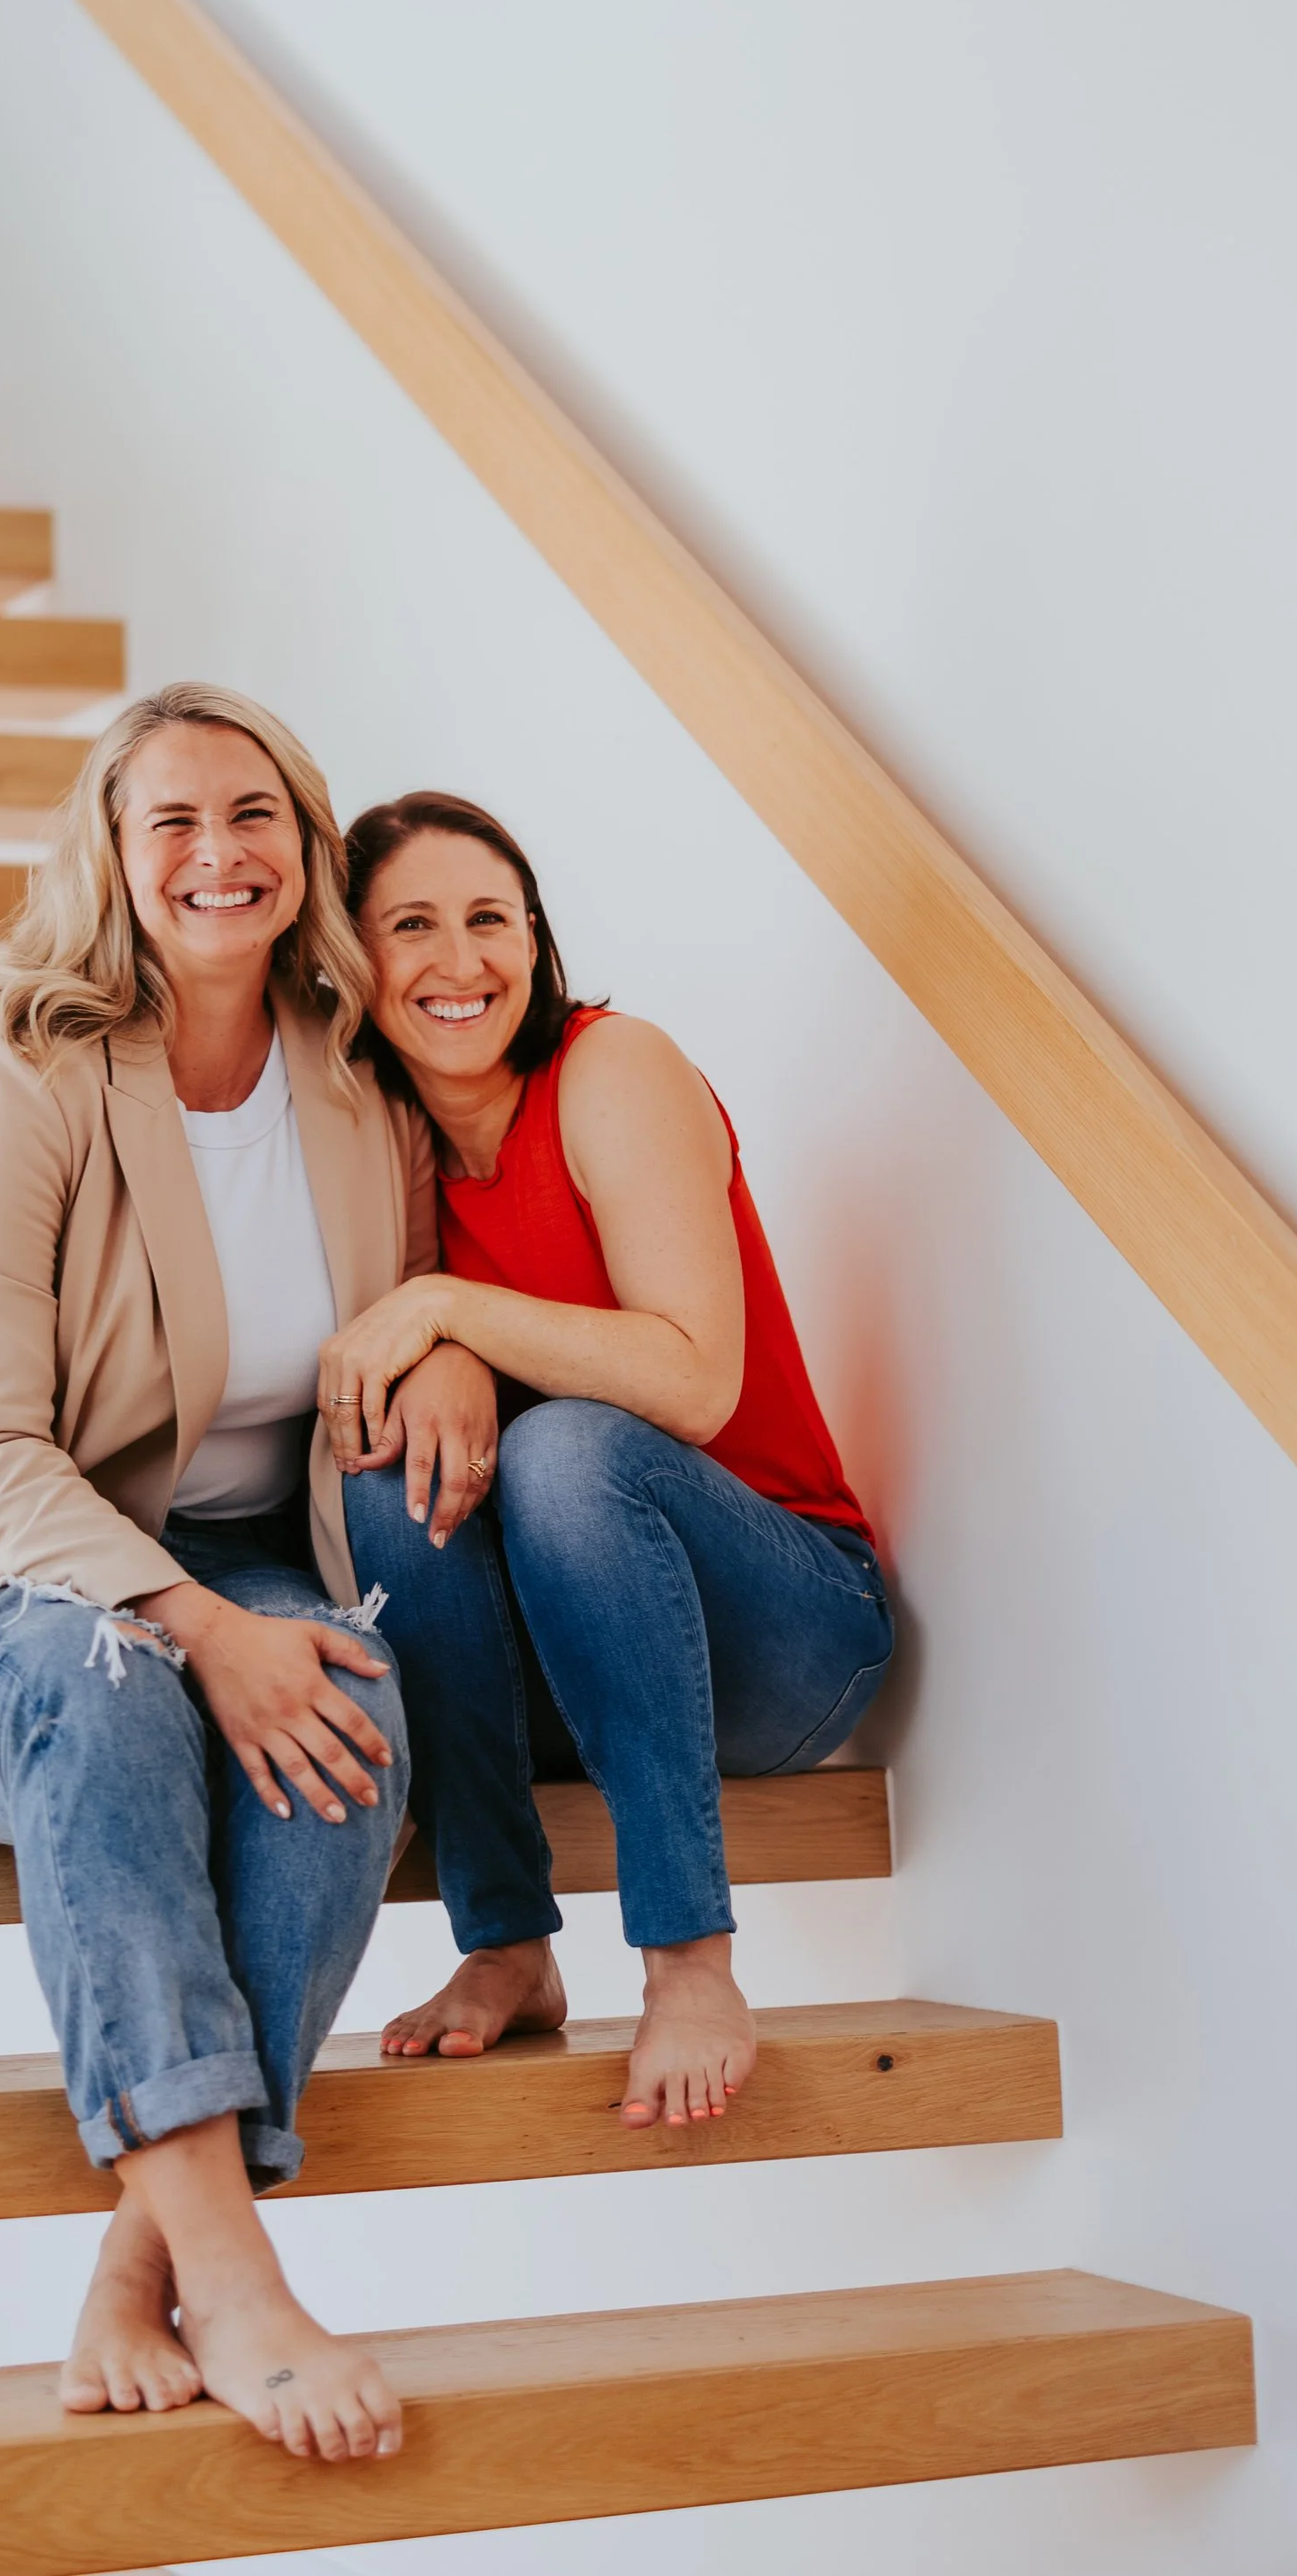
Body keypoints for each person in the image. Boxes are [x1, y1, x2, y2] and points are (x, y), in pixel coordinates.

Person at [0, 691, 495, 2463]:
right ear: (113, 854)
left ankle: (139, 2256)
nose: (219, 852)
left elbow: (411, 1300)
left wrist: (450, 1343)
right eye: (173, 821)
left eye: (254, 813)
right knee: (113, 1683)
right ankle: (234, 2278)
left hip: (240, 1558)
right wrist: (199, 1623)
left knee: (349, 1703)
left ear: (305, 844)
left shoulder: (354, 1077)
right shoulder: (3, 1081)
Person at [324, 791, 892, 2135]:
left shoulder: (610, 1069)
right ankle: (506, 1941)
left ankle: (690, 1961)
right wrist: (445, 1349)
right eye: (412, 926)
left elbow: (694, 1379)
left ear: (536, 939)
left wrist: (449, 1313)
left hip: (785, 1622)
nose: (461, 960)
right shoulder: (374, 1143)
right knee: (390, 1463)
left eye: (491, 918)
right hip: (574, 1663)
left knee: (569, 1453)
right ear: (353, 962)